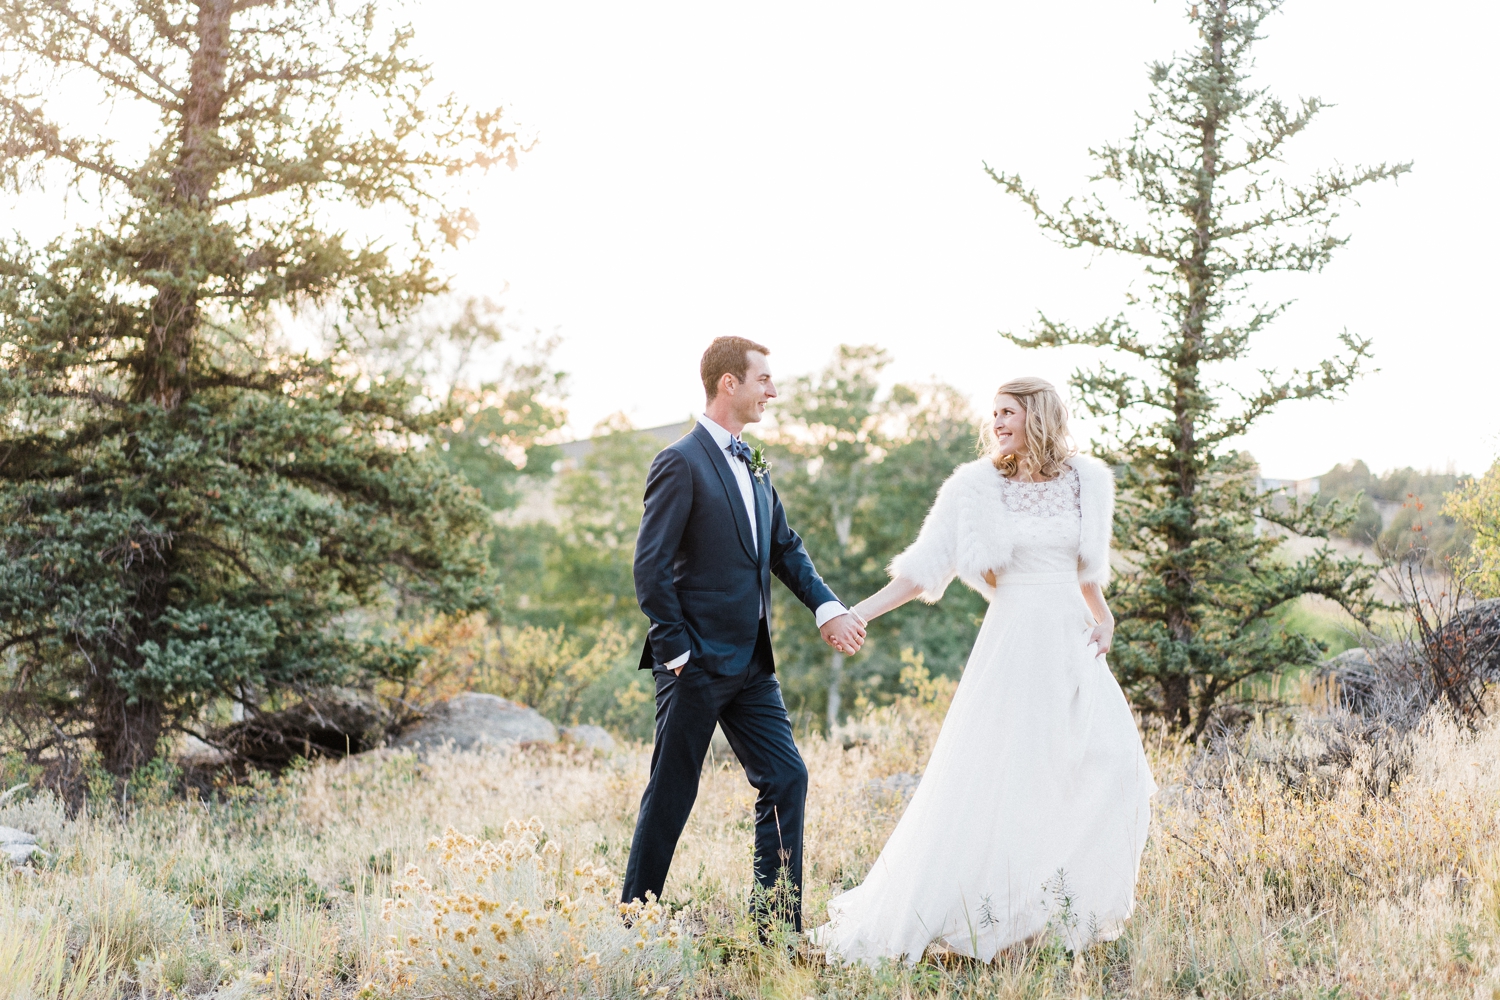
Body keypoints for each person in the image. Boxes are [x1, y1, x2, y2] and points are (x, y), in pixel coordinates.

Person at [809, 377, 1156, 963]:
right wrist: (854, 612)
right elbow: (922, 570)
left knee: (1114, 766)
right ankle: (991, 916)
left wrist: (1106, 619)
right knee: (1008, 778)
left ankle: (1059, 910)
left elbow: (1086, 569)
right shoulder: (976, 487)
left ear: (1039, 416)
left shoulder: (1087, 481)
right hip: (1015, 642)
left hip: (1072, 641)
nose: (996, 423)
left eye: (1008, 413)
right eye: (993, 414)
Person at [621, 336, 868, 931]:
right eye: (764, 380)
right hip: (695, 662)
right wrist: (676, 651)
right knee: (673, 792)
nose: (773, 392)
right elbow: (649, 567)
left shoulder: (752, 462)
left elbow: (783, 548)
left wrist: (826, 606)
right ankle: (631, 924)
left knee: (787, 777)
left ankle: (774, 931)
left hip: (753, 663)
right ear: (728, 383)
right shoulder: (679, 461)